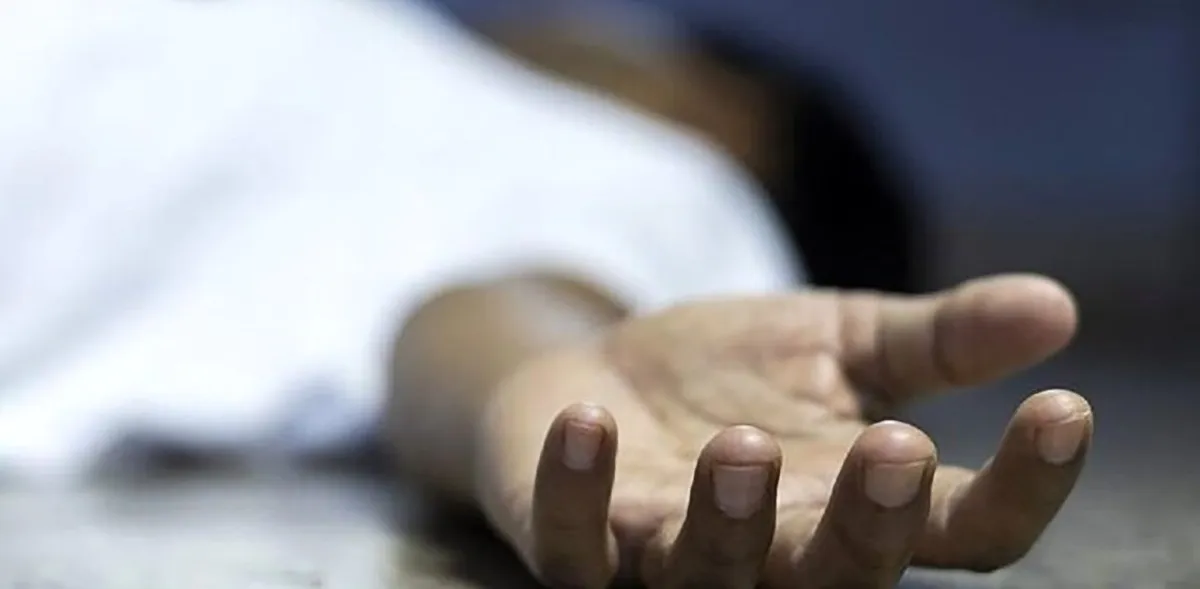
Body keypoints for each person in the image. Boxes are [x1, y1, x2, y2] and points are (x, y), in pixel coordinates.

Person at [0, 0, 1091, 586]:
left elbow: (522, 308)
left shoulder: (659, 176)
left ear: (726, 113)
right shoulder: (408, 68)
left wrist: (568, 387)